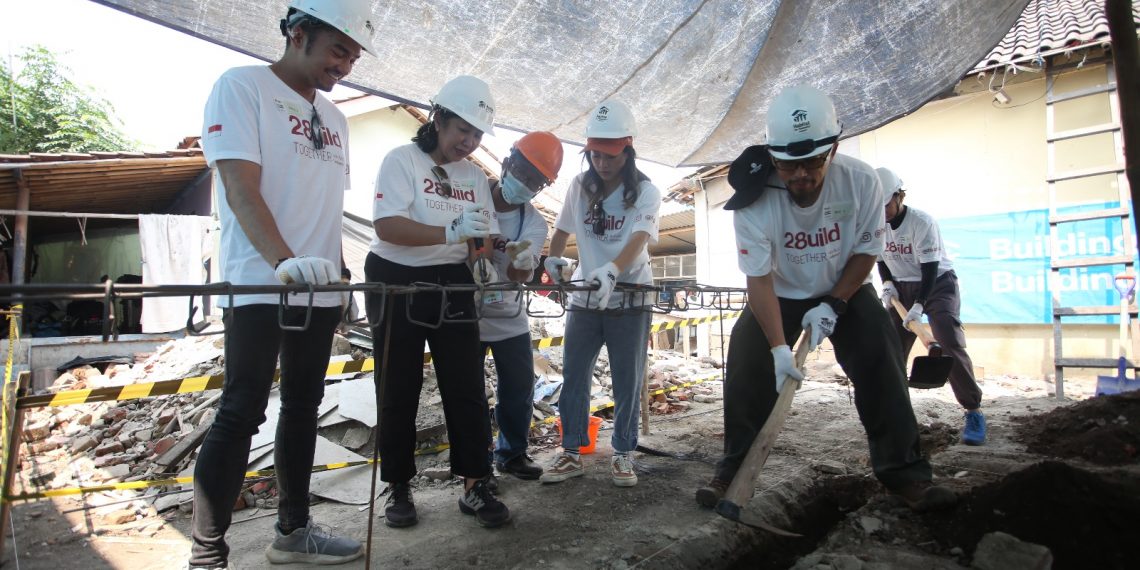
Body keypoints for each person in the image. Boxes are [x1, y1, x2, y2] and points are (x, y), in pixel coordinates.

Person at [694, 85, 957, 513]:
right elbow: (758, 280)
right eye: (788, 165)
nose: (800, 175)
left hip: (846, 288)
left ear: (832, 150)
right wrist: (779, 348)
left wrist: (834, 304)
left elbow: (867, 250)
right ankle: (733, 470)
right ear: (774, 158)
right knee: (746, 361)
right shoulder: (753, 201)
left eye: (812, 162)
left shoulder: (860, 182)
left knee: (881, 358)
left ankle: (905, 475)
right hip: (779, 292)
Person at [190, 1, 374, 567]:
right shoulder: (241, 88)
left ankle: (293, 532)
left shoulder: (337, 121)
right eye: (338, 49)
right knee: (242, 408)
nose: (345, 66)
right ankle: (207, 550)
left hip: (318, 287)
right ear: (299, 34)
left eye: (353, 55)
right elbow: (240, 187)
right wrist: (283, 262)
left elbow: (324, 207)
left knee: (303, 403)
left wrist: (337, 276)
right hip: (262, 281)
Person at [366, 74, 511, 529]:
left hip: (452, 280)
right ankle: (399, 485)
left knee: (466, 382)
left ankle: (474, 483)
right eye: (460, 130)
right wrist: (450, 232)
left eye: (476, 135)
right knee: (397, 386)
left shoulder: (474, 177)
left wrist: (487, 258)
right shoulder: (402, 160)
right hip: (396, 277)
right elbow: (387, 226)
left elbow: (480, 239)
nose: (467, 142)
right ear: (438, 120)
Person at [540, 100, 660, 487]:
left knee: (628, 377)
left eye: (609, 155)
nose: (602, 163)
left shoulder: (645, 191)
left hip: (631, 297)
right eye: (594, 155)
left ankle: (623, 453)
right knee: (574, 374)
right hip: (587, 298)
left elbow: (640, 236)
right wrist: (554, 261)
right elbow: (561, 230)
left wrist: (613, 269)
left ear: (627, 148)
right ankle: (571, 452)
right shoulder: (581, 185)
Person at [876, 167, 985, 445]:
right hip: (901, 287)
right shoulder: (873, 222)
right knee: (892, 349)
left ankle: (973, 410)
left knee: (947, 339)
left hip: (936, 283)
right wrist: (888, 284)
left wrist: (920, 306)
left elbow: (930, 269)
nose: (882, 211)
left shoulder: (922, 223)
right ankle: (894, 415)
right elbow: (879, 259)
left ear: (899, 196)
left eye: (886, 204)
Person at [480, 132, 564, 481]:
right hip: (465, 315)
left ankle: (512, 454)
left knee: (518, 388)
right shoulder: (472, 192)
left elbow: (518, 275)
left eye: (534, 179)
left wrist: (522, 261)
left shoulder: (533, 223)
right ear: (506, 162)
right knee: (468, 394)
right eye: (521, 171)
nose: (524, 183)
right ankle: (476, 464)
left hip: (508, 315)